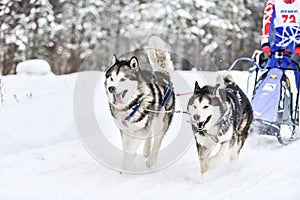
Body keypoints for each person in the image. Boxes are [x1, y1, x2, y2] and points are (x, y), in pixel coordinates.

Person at [261, 0, 300, 74]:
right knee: (270, 79)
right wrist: (265, 46)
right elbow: (267, 24)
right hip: (279, 49)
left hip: (297, 48)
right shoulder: (273, 2)